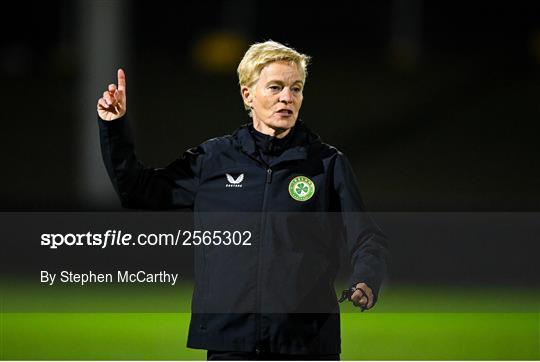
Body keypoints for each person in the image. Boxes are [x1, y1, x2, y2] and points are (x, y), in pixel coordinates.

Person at [97, 40, 389, 360]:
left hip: (305, 343)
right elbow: (138, 190)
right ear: (247, 94)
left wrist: (366, 279)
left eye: (296, 88)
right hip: (230, 342)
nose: (286, 97)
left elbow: (366, 236)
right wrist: (114, 128)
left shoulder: (327, 164)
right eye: (276, 87)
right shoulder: (213, 159)